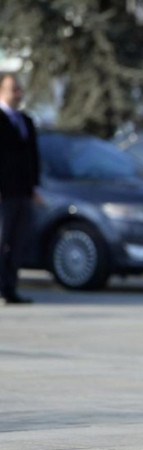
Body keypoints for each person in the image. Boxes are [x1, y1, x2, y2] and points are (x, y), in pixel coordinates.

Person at [0, 73, 41, 305]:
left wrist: (34, 187)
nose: (18, 94)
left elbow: (33, 156)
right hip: (3, 193)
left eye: (19, 89)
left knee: (17, 243)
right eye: (13, 89)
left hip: (23, 192)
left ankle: (10, 288)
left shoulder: (25, 120)